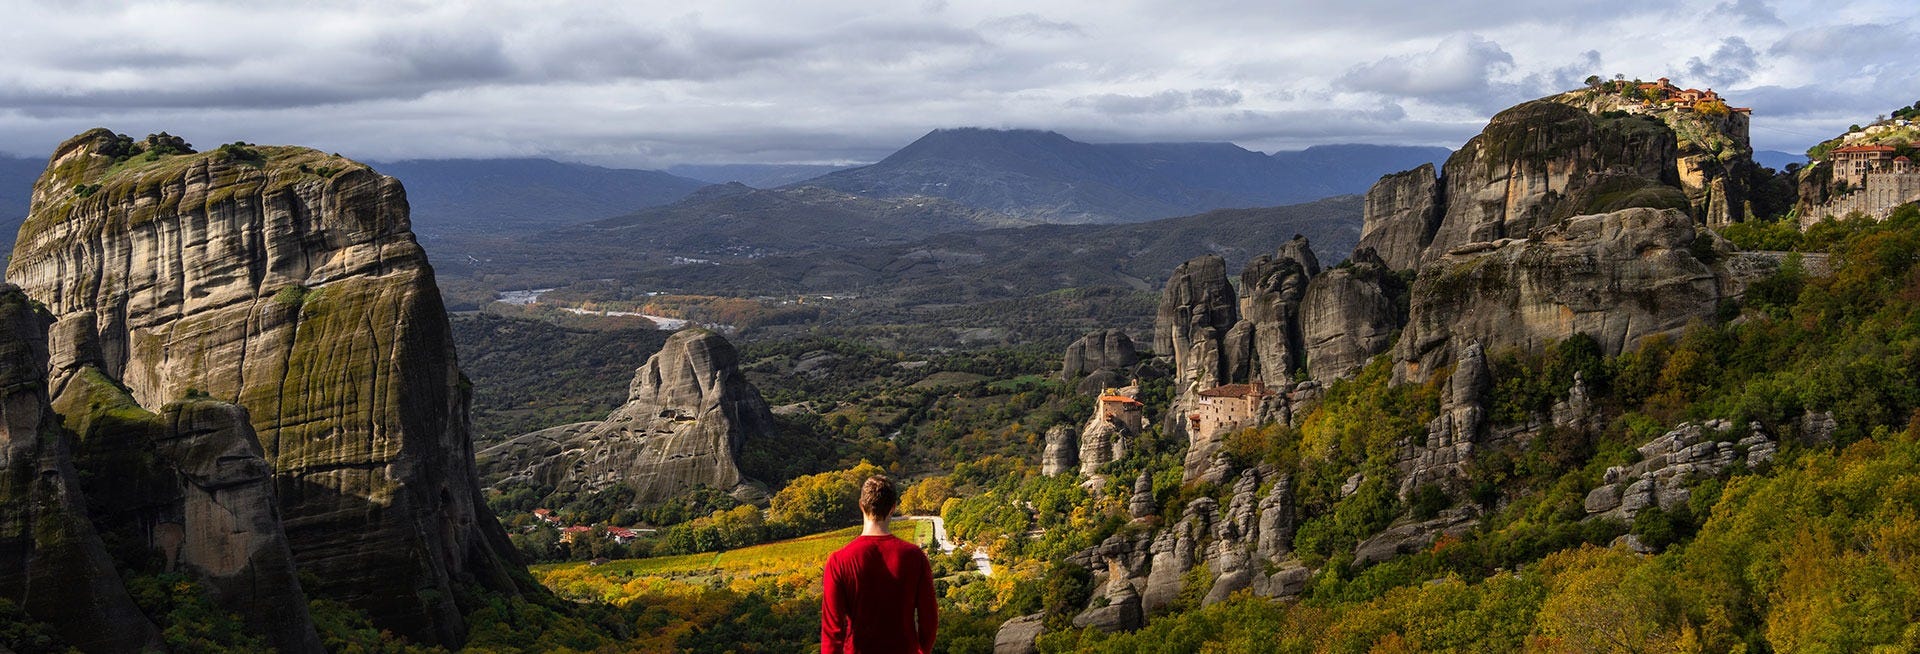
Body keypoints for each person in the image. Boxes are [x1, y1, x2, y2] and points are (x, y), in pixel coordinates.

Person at [821, 475, 937, 653]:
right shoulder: (915, 557)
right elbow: (928, 620)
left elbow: (832, 632)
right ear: (893, 508)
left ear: (861, 505)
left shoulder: (838, 561)